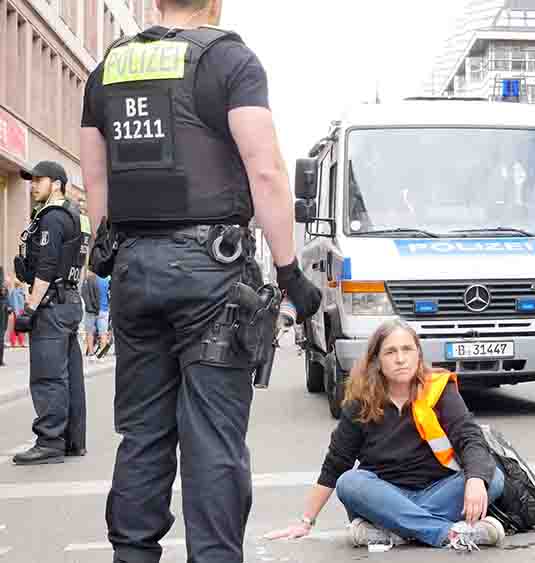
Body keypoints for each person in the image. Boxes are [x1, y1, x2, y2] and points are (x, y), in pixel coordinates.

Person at [78, 0, 322, 561]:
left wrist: (115, 248)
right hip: (211, 273)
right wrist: (290, 272)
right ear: (215, 3)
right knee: (213, 440)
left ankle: (132, 553)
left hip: (136, 269)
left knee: (142, 434)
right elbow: (264, 169)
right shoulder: (229, 60)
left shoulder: (107, 69)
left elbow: (96, 176)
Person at [264, 319, 507, 551]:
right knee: (350, 483)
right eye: (390, 352)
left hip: (439, 491)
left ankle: (391, 531)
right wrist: (305, 522)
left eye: (407, 350)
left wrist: (475, 480)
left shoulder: (439, 390)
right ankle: (448, 533)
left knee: (492, 477)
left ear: (418, 355)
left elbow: (469, 438)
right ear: (377, 360)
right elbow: (335, 465)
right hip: (384, 497)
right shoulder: (360, 402)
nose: (401, 359)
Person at [10, 160, 89, 465]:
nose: (33, 186)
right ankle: (72, 440)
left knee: (47, 375)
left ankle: (50, 441)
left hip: (52, 304)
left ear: (56, 183)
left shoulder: (53, 218)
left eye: (38, 180)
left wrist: (31, 305)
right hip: (68, 302)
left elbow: (46, 265)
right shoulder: (74, 215)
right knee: (69, 374)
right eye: (31, 181)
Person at [7, 277, 27, 348]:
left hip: (21, 311)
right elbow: (15, 303)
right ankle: (14, 342)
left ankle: (21, 342)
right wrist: (17, 313)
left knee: (21, 327)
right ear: (19, 284)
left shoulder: (20, 291)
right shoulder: (15, 292)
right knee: (16, 327)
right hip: (18, 311)